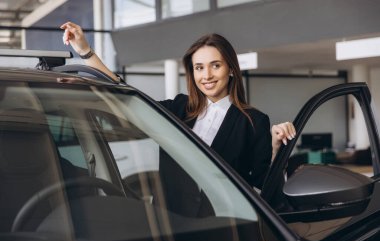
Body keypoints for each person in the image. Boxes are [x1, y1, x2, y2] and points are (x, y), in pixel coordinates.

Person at [60, 22, 296, 190]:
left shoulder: (253, 121)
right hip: (174, 224)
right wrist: (85, 52)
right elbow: (126, 97)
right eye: (199, 68)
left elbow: (264, 185)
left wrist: (277, 149)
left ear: (231, 69)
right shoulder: (179, 108)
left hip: (227, 227)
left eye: (216, 65)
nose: (207, 75)